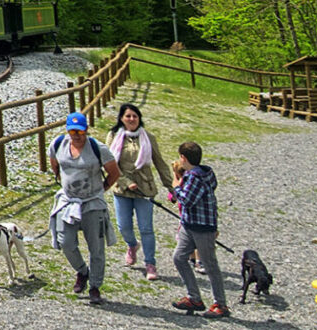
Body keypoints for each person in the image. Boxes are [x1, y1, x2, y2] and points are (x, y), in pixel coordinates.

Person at [48, 111, 119, 305]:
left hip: (92, 203)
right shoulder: (57, 145)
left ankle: (95, 286)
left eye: (80, 131)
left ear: (86, 130)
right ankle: (82, 271)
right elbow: (55, 166)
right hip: (68, 202)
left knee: (96, 247)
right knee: (66, 242)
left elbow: (114, 172)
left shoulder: (98, 148)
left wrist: (101, 190)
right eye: (72, 131)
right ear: (67, 131)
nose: (76, 135)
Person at [108, 102, 175, 280]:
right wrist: (125, 181)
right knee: (124, 226)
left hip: (144, 189)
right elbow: (108, 163)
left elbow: (160, 163)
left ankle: (150, 264)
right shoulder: (113, 136)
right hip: (122, 189)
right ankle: (132, 245)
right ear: (122, 118)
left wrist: (171, 187)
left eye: (135, 116)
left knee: (146, 228)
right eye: (128, 116)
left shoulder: (148, 137)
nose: (131, 119)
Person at [167, 140, 228, 317]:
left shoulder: (195, 177)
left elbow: (187, 200)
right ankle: (194, 297)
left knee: (210, 265)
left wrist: (176, 187)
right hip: (189, 224)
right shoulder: (205, 173)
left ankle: (220, 304)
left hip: (203, 227)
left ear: (183, 158)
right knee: (179, 257)